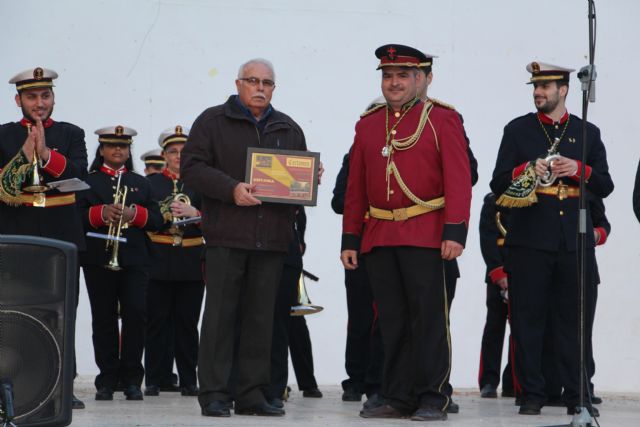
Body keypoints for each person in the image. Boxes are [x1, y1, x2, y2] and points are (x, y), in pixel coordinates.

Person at [181, 58, 320, 418]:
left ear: (274, 88)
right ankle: (213, 392)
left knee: (262, 320)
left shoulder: (288, 128)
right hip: (227, 236)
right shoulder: (212, 121)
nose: (260, 88)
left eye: (267, 83)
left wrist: (308, 178)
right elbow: (192, 168)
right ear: (238, 83)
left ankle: (251, 393)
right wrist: (231, 190)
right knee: (219, 319)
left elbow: (296, 185)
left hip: (272, 241)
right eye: (253, 81)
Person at [341, 44, 472, 421]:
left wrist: (454, 231)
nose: (393, 83)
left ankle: (433, 397)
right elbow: (356, 188)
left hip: (428, 233)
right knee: (392, 323)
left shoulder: (443, 119)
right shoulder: (368, 123)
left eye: (402, 75)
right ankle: (397, 396)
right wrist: (351, 238)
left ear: (421, 78)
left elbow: (459, 180)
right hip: (380, 236)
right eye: (387, 75)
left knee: (429, 322)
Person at [490, 62, 613, 416]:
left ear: (563, 89)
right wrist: (526, 170)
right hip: (530, 240)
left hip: (574, 243)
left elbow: (605, 185)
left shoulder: (587, 131)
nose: (538, 93)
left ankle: (578, 393)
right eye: (535, 86)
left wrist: (579, 170)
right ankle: (531, 393)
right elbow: (498, 183)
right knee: (528, 321)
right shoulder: (517, 131)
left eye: (545, 86)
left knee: (575, 321)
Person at [0, 67, 88, 409]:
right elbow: (4, 187)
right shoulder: (4, 135)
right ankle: (12, 382)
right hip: (15, 232)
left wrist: (48, 154)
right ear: (18, 100)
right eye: (32, 97)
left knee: (64, 310)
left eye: (45, 96)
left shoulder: (71, 133)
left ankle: (64, 385)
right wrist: (26, 151)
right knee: (12, 309)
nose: (40, 103)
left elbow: (80, 173)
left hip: (60, 234)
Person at [78, 126, 162, 401]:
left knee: (136, 316)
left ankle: (132, 379)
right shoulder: (87, 181)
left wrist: (133, 214)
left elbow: (157, 218)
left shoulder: (142, 182)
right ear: (101, 149)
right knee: (103, 318)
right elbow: (75, 216)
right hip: (98, 258)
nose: (118, 151)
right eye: (112, 146)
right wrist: (101, 213)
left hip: (135, 259)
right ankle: (107, 379)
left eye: (123, 147)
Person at [144, 125, 204, 397]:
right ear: (164, 155)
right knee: (156, 322)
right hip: (159, 258)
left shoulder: (202, 182)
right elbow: (145, 220)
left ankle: (190, 379)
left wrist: (197, 213)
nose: (179, 156)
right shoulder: (151, 184)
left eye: (184, 151)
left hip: (191, 259)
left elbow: (215, 222)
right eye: (173, 151)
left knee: (187, 324)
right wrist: (164, 214)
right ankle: (155, 378)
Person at [332, 152, 384, 405]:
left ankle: (379, 382)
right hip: (361, 243)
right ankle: (355, 380)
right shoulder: (353, 157)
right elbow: (338, 201)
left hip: (389, 244)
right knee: (360, 316)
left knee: (387, 317)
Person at [265, 207, 322, 408]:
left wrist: (300, 240)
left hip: (287, 255)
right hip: (259, 250)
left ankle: (280, 386)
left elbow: (299, 214)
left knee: (287, 324)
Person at [477, 192, 515, 399]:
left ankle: (513, 381)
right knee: (494, 327)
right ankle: (489, 382)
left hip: (525, 273)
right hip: (498, 271)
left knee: (522, 331)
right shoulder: (493, 202)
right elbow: (487, 238)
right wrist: (498, 272)